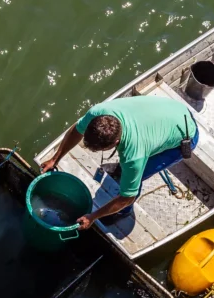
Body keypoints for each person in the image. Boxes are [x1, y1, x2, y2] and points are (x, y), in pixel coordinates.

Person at [41, 95, 198, 230]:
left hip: (185, 134)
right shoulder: (98, 113)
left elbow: (127, 197)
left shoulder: (133, 155)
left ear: (115, 142)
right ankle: (122, 171)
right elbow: (77, 130)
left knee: (138, 174)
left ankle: (123, 212)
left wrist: (93, 216)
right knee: (129, 170)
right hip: (174, 110)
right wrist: (55, 159)